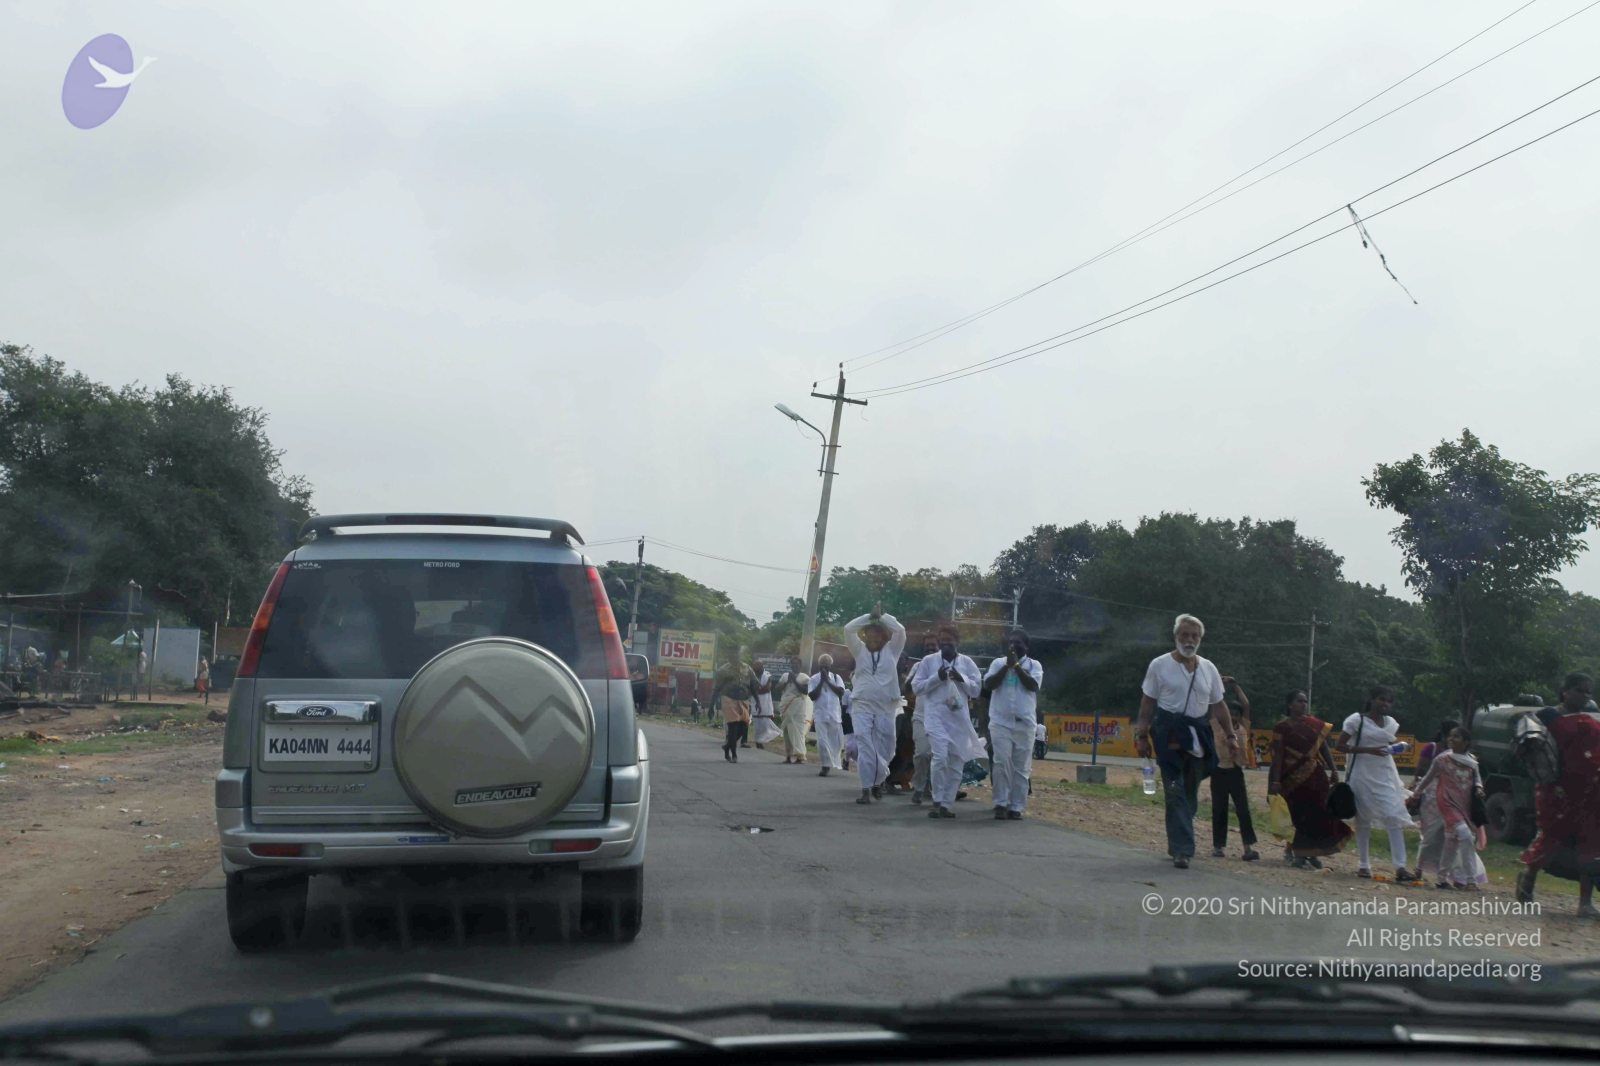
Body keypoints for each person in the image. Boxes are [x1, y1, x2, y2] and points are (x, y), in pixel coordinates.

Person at [1134, 614, 1239, 869]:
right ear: (1176, 637)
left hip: (1198, 736)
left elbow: (1219, 705)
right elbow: (1147, 704)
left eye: (1194, 636)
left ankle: (1177, 840)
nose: (1189, 640)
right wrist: (1142, 736)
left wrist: (1231, 736)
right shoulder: (1159, 665)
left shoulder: (1208, 668)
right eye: (1185, 635)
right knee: (1174, 789)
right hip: (1168, 734)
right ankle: (1183, 850)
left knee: (1189, 792)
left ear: (1200, 639)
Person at [1517, 673, 1600, 914]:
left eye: (1588, 692)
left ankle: (1585, 903)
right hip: (1556, 792)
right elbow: (1530, 752)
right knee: (1550, 838)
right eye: (1579, 690)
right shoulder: (1546, 717)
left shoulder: (1590, 720)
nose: (1584, 696)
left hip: (1589, 792)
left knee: (1590, 844)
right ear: (1565, 691)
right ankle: (1526, 882)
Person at [1337, 685, 1418, 882]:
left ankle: (1400, 867)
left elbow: (1385, 748)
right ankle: (1363, 865)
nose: (1385, 704)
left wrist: (1399, 748)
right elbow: (1340, 745)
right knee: (1363, 819)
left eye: (1389, 701)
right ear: (1372, 699)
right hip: (1361, 774)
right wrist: (1367, 750)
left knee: (1392, 816)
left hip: (1384, 774)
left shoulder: (1390, 723)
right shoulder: (1356, 720)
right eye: (1382, 699)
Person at [909, 624, 985, 819]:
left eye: (949, 640)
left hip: (958, 720)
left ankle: (946, 804)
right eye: (942, 640)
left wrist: (961, 679)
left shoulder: (967, 663)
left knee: (956, 763)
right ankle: (936, 801)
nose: (945, 644)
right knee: (940, 757)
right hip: (935, 717)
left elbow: (977, 690)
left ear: (957, 642)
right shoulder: (929, 661)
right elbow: (917, 687)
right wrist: (937, 678)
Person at [1268, 690, 1351, 866]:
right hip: (1291, 779)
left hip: (1315, 776)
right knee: (1299, 815)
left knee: (1319, 813)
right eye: (1299, 701)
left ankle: (1313, 853)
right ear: (1290, 705)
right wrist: (1275, 781)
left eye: (1305, 701)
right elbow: (1278, 755)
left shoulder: (1314, 724)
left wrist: (1334, 770)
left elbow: (1323, 749)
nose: (1303, 704)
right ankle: (1299, 853)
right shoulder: (1281, 727)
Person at [843, 605, 907, 804]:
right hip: (862, 704)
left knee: (887, 746)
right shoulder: (859, 650)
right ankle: (865, 789)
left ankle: (878, 779)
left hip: (886, 706)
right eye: (868, 636)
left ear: (884, 638)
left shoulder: (892, 650)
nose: (872, 640)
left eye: (876, 637)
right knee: (864, 742)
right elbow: (848, 629)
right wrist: (869, 617)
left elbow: (900, 631)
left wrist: (883, 617)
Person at [1414, 724, 1487, 889]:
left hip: (1464, 806)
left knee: (1451, 842)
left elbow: (1477, 780)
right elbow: (1427, 778)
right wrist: (1415, 795)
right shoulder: (1442, 760)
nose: (1451, 739)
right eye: (1450, 736)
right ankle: (1471, 880)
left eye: (1456, 736)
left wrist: (1479, 789)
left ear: (1466, 742)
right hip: (1446, 804)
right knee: (1466, 836)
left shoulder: (1472, 761)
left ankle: (1441, 879)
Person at [982, 628, 1043, 820]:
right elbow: (988, 685)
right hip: (1000, 722)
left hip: (1025, 724)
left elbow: (1033, 685)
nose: (1013, 645)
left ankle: (1015, 807)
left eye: (1018, 643)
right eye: (1010, 642)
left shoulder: (1034, 665)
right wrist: (1006, 666)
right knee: (1001, 763)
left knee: (1021, 768)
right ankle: (1000, 804)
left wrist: (1016, 666)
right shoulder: (997, 663)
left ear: (1026, 646)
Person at [1209, 678, 1260, 860]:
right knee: (1219, 809)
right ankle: (1218, 847)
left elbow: (1246, 704)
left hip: (1236, 772)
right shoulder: (1217, 726)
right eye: (1229, 713)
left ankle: (1248, 848)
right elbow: (1214, 703)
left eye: (1236, 714)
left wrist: (1235, 684)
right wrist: (1219, 685)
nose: (1232, 717)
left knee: (1243, 810)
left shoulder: (1244, 727)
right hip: (1219, 771)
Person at [907, 634, 939, 804]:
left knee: (939, 756)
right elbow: (907, 688)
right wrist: (916, 674)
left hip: (941, 717)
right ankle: (919, 787)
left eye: (933, 645)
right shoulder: (918, 666)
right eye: (927, 646)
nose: (930, 648)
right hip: (920, 716)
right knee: (922, 753)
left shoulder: (945, 666)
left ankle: (936, 790)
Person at [808, 655, 847, 776]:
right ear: (819, 666)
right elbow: (812, 696)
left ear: (830, 666)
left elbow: (841, 692)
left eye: (826, 666)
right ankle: (825, 765)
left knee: (835, 743)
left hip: (834, 715)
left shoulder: (836, 677)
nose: (824, 668)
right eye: (822, 666)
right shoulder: (814, 679)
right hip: (820, 715)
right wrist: (821, 681)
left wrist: (828, 681)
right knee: (822, 741)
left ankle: (833, 762)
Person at [777, 672, 812, 764]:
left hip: (798, 706)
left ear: (800, 666)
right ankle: (788, 756)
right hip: (786, 704)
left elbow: (805, 691)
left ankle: (799, 756)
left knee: (798, 731)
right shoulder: (785, 676)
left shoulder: (804, 677)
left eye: (796, 665)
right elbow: (777, 688)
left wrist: (795, 681)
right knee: (787, 732)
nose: (794, 666)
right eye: (793, 664)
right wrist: (787, 682)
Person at [748, 659, 780, 748]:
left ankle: (762, 741)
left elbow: (767, 689)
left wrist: (754, 690)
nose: (756, 669)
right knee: (757, 725)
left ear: (762, 667)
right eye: (754, 668)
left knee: (765, 724)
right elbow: (749, 688)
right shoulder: (751, 676)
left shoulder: (767, 676)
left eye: (758, 667)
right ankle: (758, 742)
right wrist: (756, 690)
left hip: (765, 704)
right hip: (754, 702)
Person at [720, 680, 750, 762]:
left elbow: (753, 687)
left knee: (743, 727)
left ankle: (727, 746)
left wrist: (758, 702)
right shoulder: (727, 675)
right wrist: (712, 706)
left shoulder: (746, 674)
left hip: (743, 702)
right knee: (733, 729)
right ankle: (734, 755)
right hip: (729, 702)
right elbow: (717, 688)